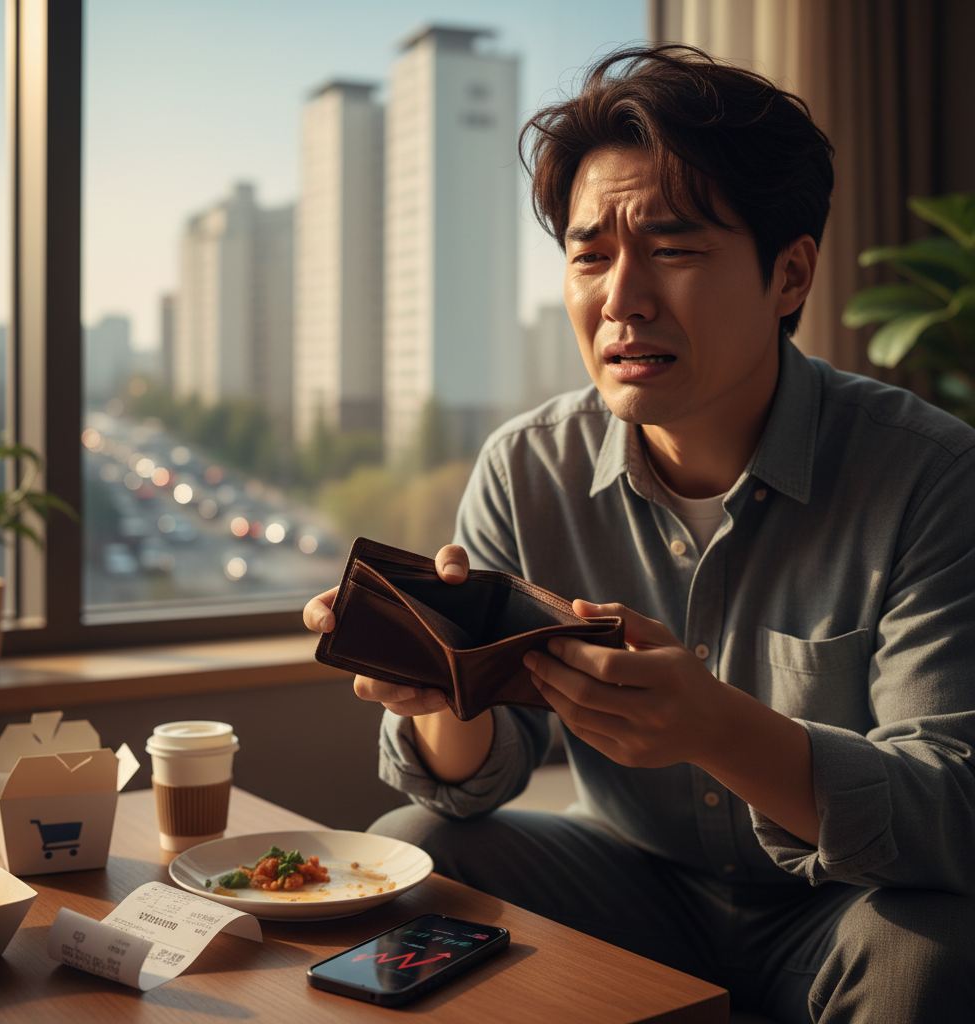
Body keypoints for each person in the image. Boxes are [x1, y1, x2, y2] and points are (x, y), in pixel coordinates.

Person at [304, 46, 975, 1022]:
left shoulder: (930, 477)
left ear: (789, 273)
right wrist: (443, 683)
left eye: (672, 247)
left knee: (933, 952)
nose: (621, 297)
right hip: (633, 880)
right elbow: (467, 785)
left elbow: (953, 808)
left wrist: (717, 728)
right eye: (589, 254)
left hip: (844, 906)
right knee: (417, 843)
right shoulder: (525, 467)